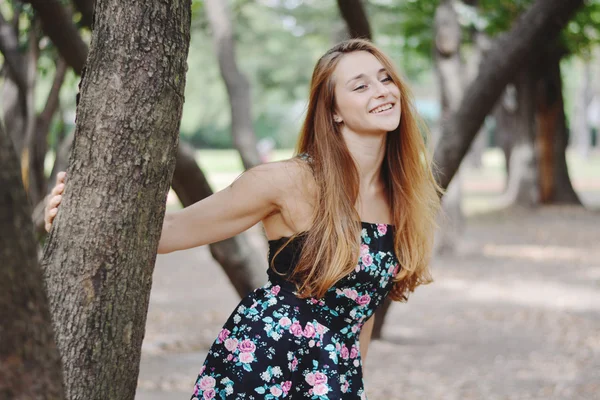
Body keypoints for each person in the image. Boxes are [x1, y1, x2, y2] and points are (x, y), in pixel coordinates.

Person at [45, 39, 441, 399]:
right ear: (333, 111)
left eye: (385, 78)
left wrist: (354, 380)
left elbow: (361, 310)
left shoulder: (401, 197)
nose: (382, 91)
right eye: (360, 85)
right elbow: (169, 232)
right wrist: (75, 212)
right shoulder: (287, 181)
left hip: (335, 376)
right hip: (261, 365)